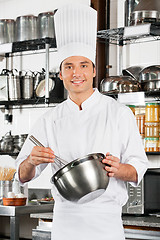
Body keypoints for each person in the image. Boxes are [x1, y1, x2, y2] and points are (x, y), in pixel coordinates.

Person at [15, 4, 148, 240]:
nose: (77, 73)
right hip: (65, 223)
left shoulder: (118, 113)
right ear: (61, 74)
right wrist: (31, 160)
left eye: (83, 65)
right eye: (69, 67)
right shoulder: (49, 120)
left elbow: (138, 167)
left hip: (106, 224)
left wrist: (119, 170)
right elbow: (23, 175)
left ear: (94, 70)